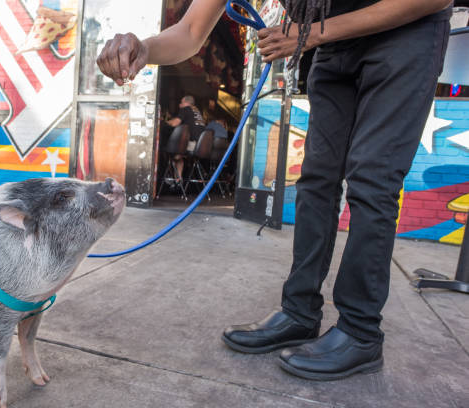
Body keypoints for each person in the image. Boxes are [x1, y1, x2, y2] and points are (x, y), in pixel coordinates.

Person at [97, 0, 452, 380]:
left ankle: (361, 333)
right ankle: (299, 312)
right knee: (316, 180)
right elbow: (189, 31)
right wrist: (145, 48)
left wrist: (309, 33)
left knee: (372, 181)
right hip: (327, 44)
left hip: (403, 32)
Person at [164, 95, 206, 182]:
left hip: (192, 145)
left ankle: (171, 180)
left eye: (181, 102)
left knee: (171, 153)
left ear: (186, 103)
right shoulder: (198, 111)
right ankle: (178, 179)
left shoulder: (186, 109)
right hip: (201, 146)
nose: (180, 105)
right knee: (178, 155)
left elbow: (175, 123)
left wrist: (164, 122)